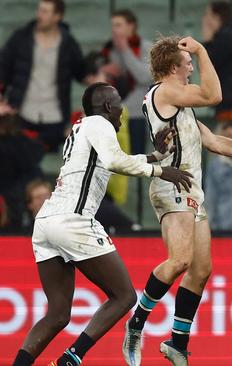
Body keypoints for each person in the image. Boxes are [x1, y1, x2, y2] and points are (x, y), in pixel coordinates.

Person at [121, 35, 232, 366]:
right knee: (179, 260)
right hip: (170, 185)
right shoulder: (166, 91)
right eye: (188, 62)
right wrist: (203, 49)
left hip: (192, 192)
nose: (192, 65)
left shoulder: (180, 105)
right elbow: (214, 94)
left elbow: (216, 142)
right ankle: (137, 321)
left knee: (202, 268)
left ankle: (177, 342)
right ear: (172, 66)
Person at [11, 82, 192, 366]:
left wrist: (155, 156)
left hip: (45, 221)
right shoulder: (100, 123)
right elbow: (115, 162)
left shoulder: (82, 127)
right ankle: (72, 357)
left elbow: (113, 160)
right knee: (124, 296)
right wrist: (160, 170)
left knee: (57, 314)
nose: (122, 108)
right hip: (74, 220)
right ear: (108, 106)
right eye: (118, 101)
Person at [0, 0, 86, 152]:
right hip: (23, 114)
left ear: (57, 16)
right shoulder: (21, 38)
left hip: (54, 117)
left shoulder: (68, 43)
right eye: (39, 10)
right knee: (20, 164)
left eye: (45, 11)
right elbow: (3, 68)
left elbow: (82, 73)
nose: (39, 15)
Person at [101, 8, 153, 155]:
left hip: (136, 114)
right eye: (112, 25)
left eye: (118, 25)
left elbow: (144, 76)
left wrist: (125, 50)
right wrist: (104, 70)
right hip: (113, 114)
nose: (114, 29)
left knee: (138, 160)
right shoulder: (109, 50)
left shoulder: (146, 47)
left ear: (131, 26)